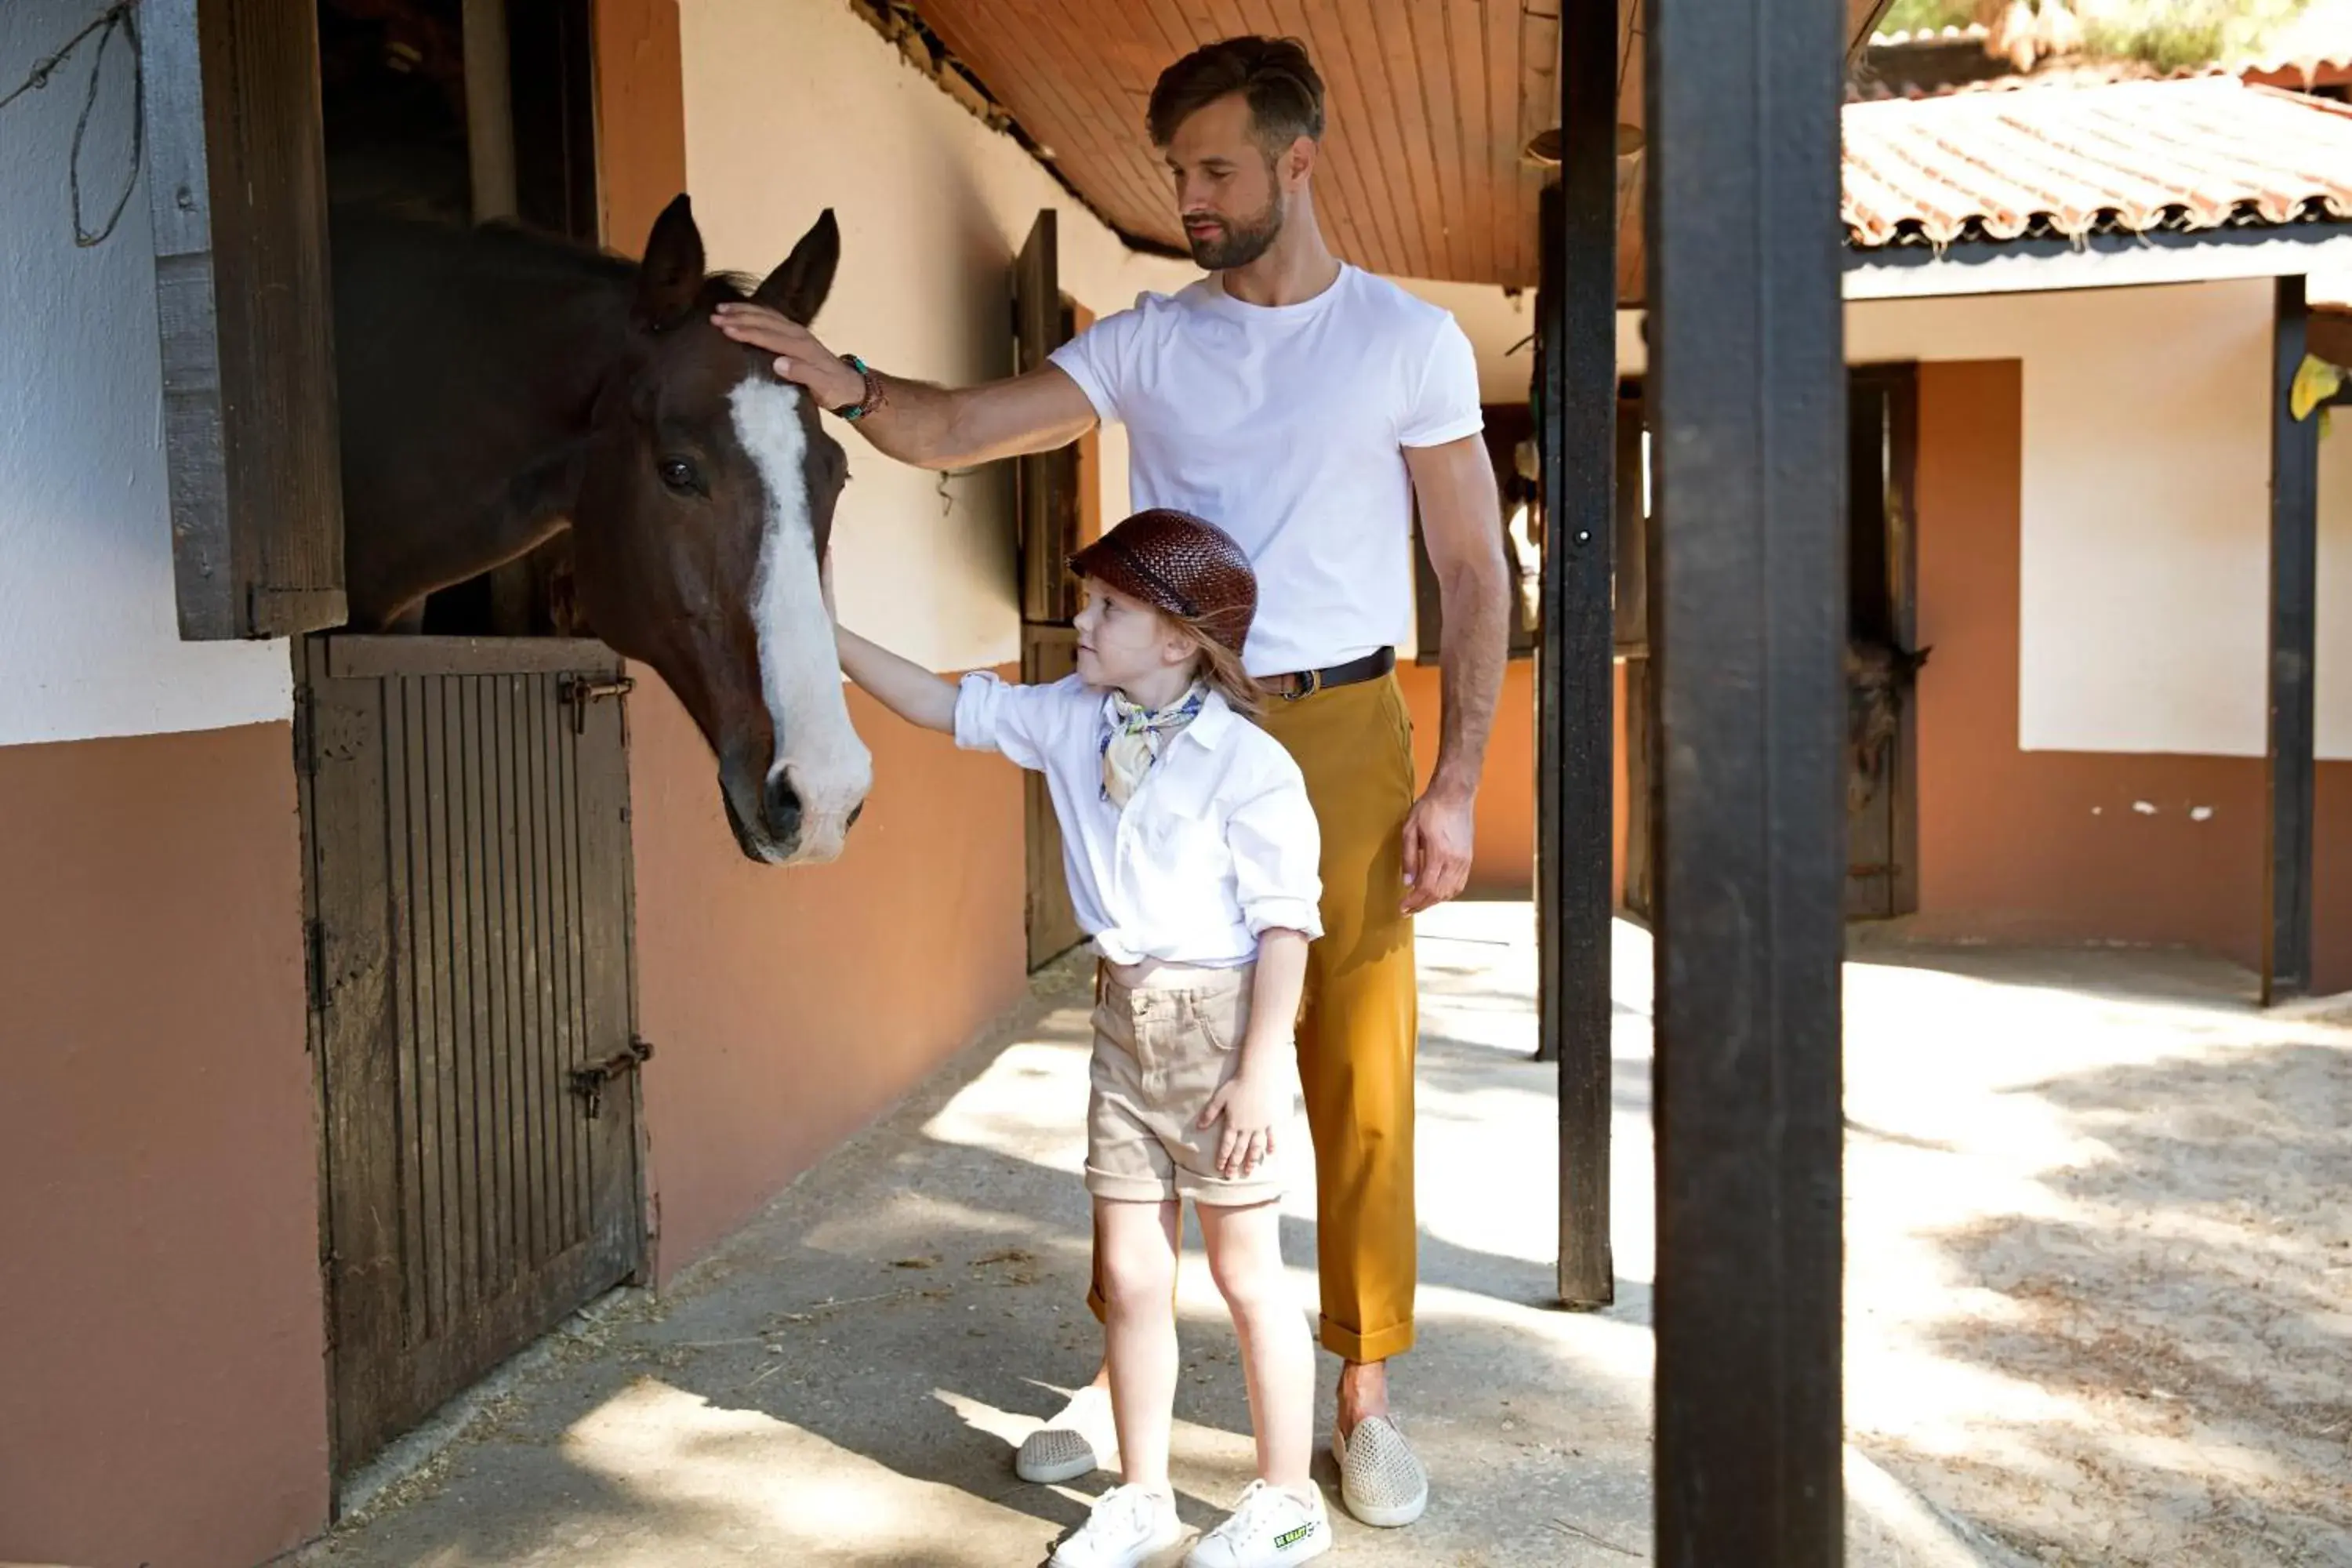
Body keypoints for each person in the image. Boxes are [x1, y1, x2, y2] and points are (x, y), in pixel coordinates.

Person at [717, 34, 1510, 1530]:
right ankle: (1124, 1375)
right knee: (1146, 1041)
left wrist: (1458, 778)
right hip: (1160, 725)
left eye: (1216, 169)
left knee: (1356, 1071)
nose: (1193, 198)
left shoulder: (1407, 342)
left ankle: (1361, 1393)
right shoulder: (1150, 341)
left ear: (1297, 159)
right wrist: (845, 381)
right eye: (1176, 175)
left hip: (1340, 728)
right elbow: (959, 426)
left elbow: (1473, 573)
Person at [832, 509, 1332, 1568]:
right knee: (1135, 1271)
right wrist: (823, 629)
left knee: (1247, 1273)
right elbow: (936, 701)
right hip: (1121, 1019)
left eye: (1108, 606)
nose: (1080, 618)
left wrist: (1258, 1074)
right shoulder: (1071, 717)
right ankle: (1143, 1494)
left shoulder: (1249, 764)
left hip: (1221, 1025)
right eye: (1086, 598)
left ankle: (1287, 1499)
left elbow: (1288, 924)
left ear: (1179, 638)